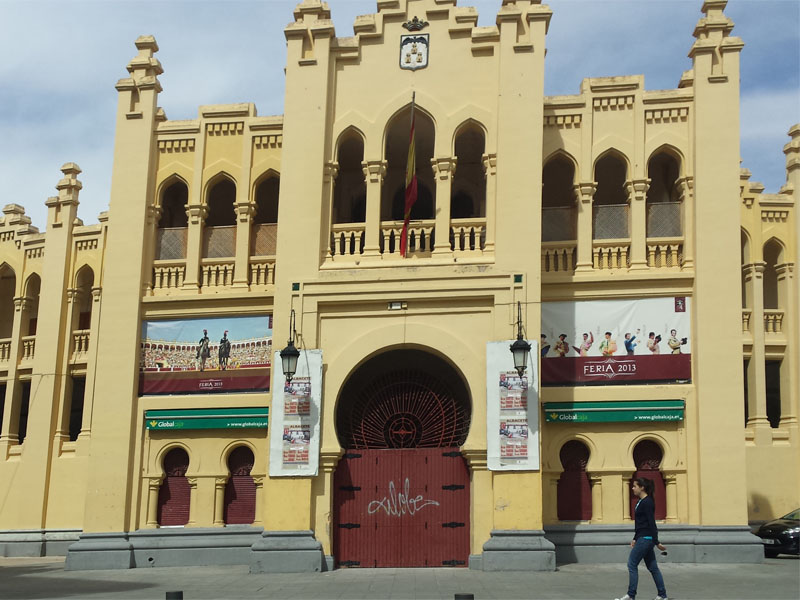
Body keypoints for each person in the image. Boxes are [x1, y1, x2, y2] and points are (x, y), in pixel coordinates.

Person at [615, 477, 668, 600]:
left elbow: (651, 523)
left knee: (632, 564)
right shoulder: (640, 501)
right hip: (642, 538)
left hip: (646, 539)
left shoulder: (648, 502)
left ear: (642, 487)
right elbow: (640, 523)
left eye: (634, 486)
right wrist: (635, 538)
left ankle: (631, 595)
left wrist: (656, 541)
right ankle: (662, 594)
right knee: (653, 567)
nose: (632, 488)